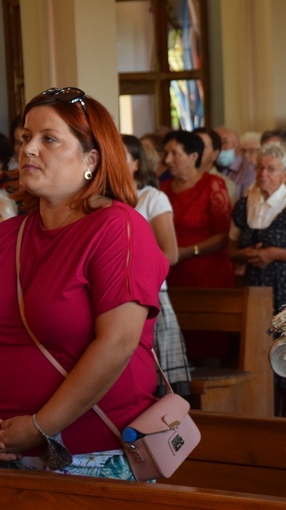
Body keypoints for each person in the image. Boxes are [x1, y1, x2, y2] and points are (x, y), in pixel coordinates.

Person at [0, 87, 168, 479]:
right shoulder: (1, 237)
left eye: (49, 139)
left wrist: (39, 426)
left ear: (91, 159)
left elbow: (116, 344)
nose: (28, 150)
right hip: (2, 453)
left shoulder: (119, 227)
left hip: (93, 456)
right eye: (25, 138)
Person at [228, 141, 286, 416]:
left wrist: (273, 253)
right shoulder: (245, 204)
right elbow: (231, 248)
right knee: (258, 356)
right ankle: (262, 417)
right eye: (259, 167)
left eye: (271, 168)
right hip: (254, 291)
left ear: (285, 174)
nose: (263, 173)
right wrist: (245, 254)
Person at [122, 134, 190, 398]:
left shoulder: (151, 197)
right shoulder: (103, 198)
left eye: (121, 156)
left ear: (137, 163)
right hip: (118, 295)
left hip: (149, 292)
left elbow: (169, 254)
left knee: (158, 382)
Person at [160, 130, 235, 289]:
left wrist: (187, 252)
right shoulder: (164, 188)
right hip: (171, 273)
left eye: (174, 154)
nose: (167, 160)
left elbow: (223, 235)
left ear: (193, 156)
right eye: (166, 153)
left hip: (206, 272)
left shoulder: (212, 184)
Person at [193, 127, 238, 204]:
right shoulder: (177, 181)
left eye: (202, 147)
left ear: (215, 154)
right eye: (192, 146)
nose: (195, 151)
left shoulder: (224, 185)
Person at [214, 125, 256, 198]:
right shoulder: (210, 167)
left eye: (224, 142)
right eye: (216, 144)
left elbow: (247, 202)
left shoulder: (249, 170)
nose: (220, 148)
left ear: (238, 146)